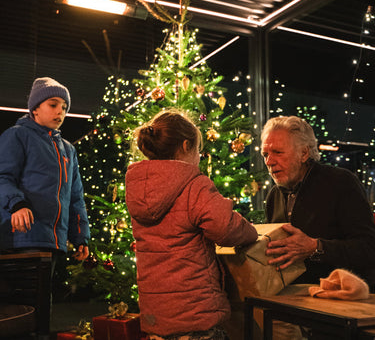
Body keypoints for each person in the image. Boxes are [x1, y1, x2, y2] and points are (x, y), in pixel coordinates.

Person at [125, 108, 258, 340]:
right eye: (198, 149)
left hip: (156, 315)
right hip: (194, 316)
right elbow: (226, 227)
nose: (199, 156)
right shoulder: (193, 185)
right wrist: (252, 232)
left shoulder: (138, 187)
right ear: (186, 146)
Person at [261, 115, 375, 291]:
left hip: (340, 299)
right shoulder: (274, 196)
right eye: (265, 154)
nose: (269, 161)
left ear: (304, 153)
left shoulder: (341, 183)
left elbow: (368, 249)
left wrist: (316, 247)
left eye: (278, 152)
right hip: (292, 298)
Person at [0, 77, 90, 268]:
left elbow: (75, 198)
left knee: (43, 296)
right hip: (22, 238)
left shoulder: (68, 150)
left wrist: (81, 236)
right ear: (35, 109)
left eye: (64, 107)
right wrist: (17, 204)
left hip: (54, 241)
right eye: (53, 104)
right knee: (21, 296)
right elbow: (3, 177)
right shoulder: (17, 135)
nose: (60, 111)